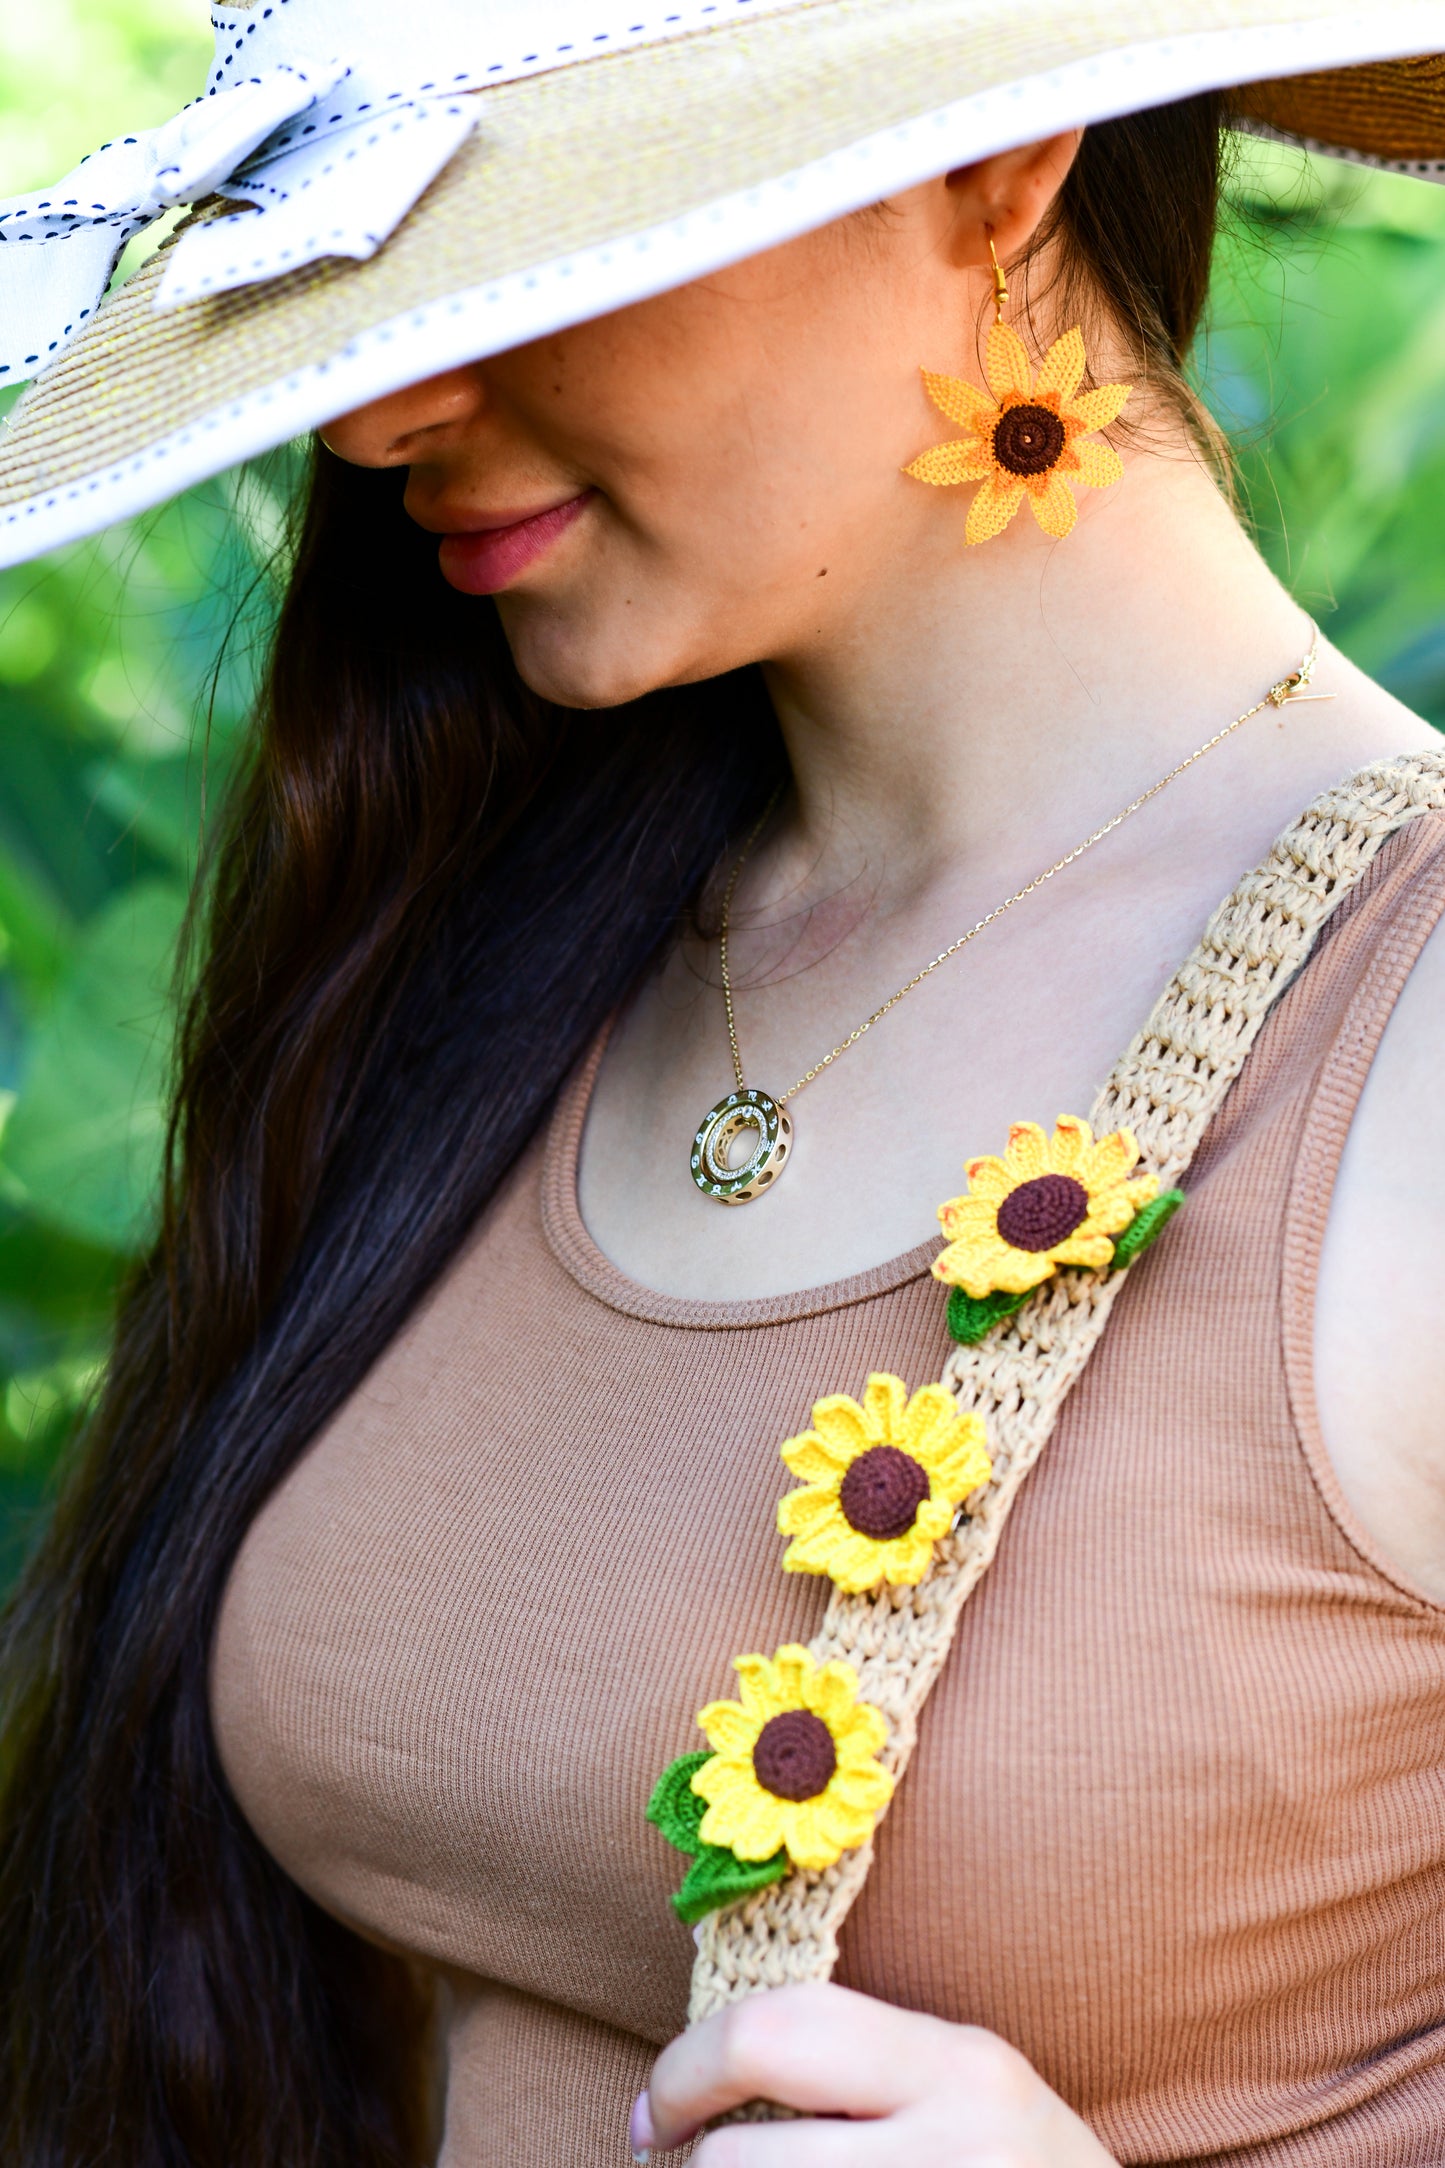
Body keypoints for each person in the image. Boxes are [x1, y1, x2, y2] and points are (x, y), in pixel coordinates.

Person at [0, 3, 1443, 2163]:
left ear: (999, 161)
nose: (385, 409)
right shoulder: (494, 925)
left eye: (552, 248)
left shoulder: (1397, 1029)